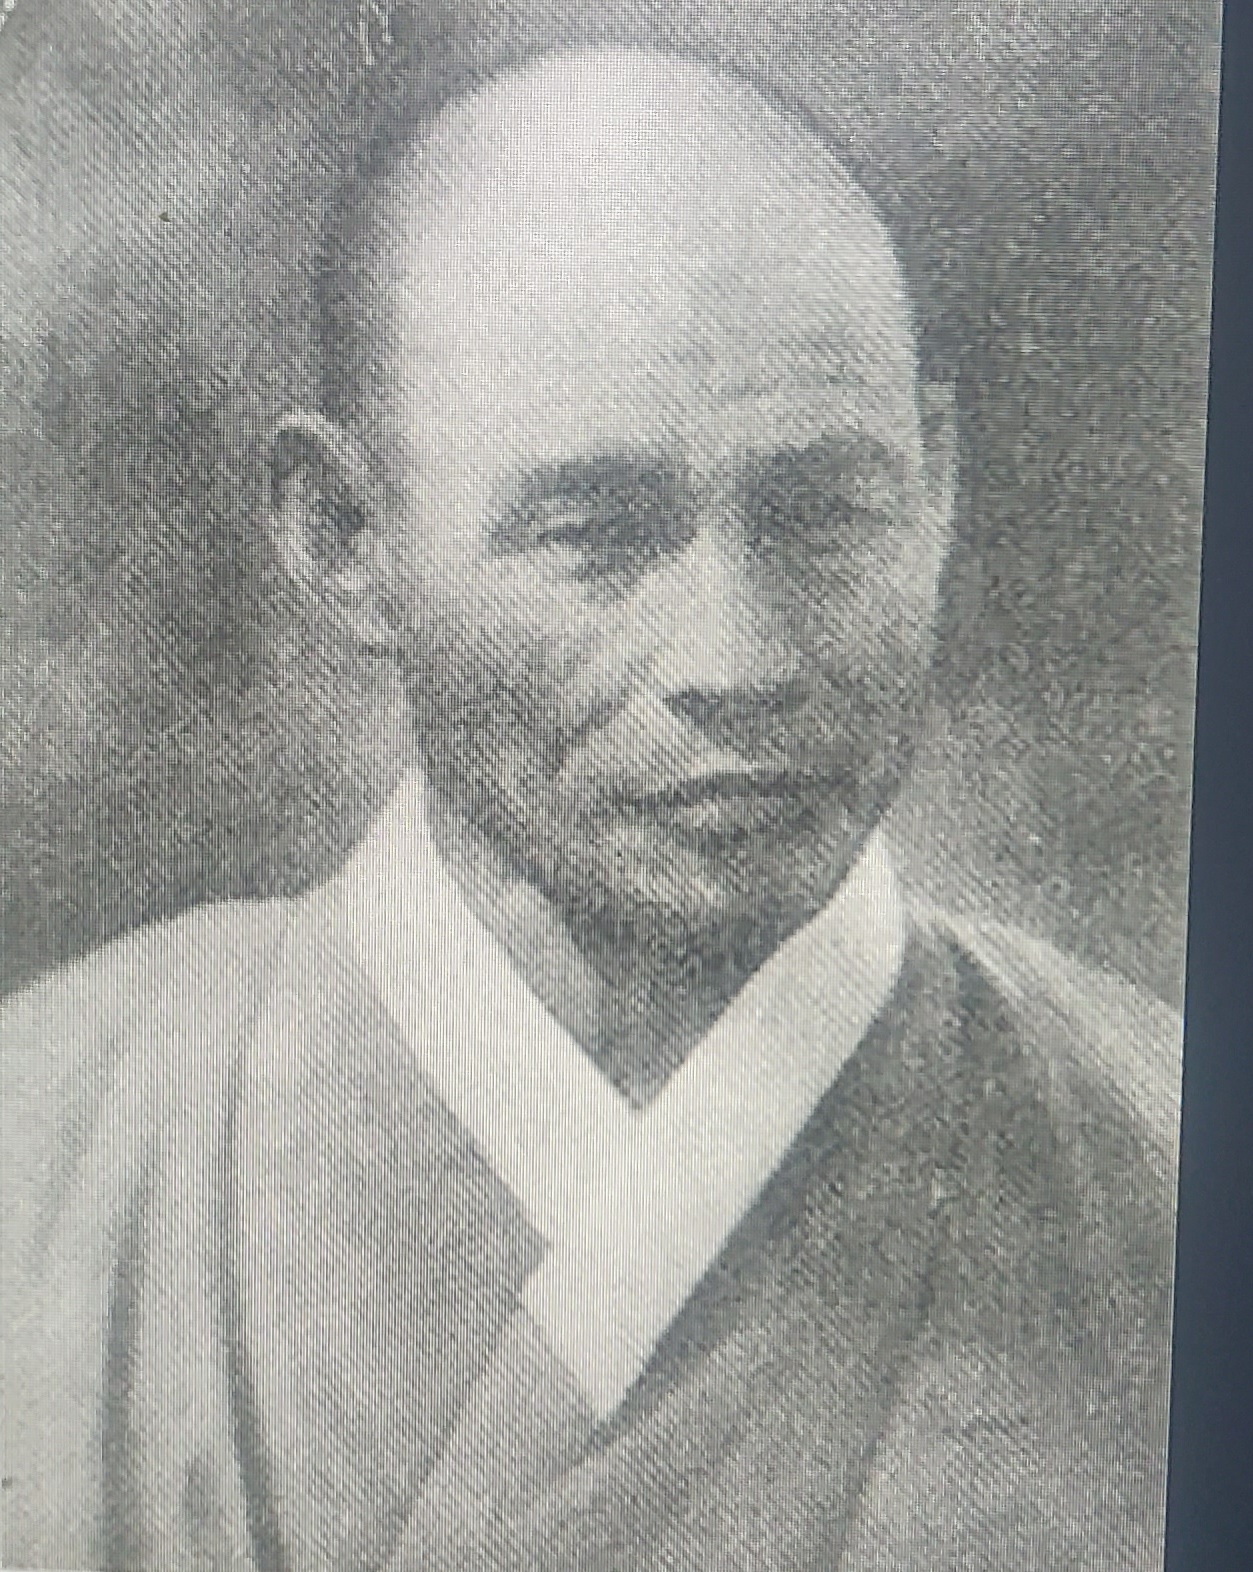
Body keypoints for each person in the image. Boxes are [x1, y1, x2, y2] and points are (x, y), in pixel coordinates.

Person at [1, 44, 1180, 1572]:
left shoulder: (1175, 1157)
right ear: (345, 536)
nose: (734, 662)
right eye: (594, 532)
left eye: (824, 512)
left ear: (936, 482)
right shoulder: (45, 1147)